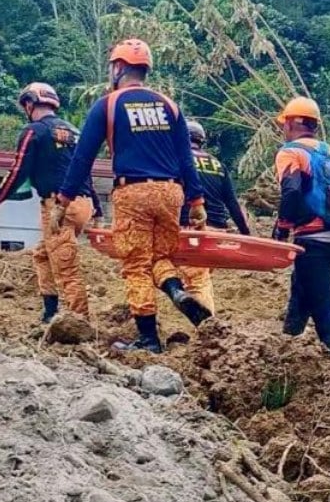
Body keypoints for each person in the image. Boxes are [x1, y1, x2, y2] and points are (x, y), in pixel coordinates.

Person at [58, 38, 208, 353]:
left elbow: (82, 157)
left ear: (118, 67)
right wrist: (197, 203)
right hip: (171, 192)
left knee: (136, 264)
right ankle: (176, 290)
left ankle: (149, 340)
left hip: (133, 192)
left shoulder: (109, 105)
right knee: (160, 256)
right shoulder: (170, 106)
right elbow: (186, 159)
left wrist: (65, 198)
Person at [0, 82, 100, 323]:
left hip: (59, 207)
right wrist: (96, 205)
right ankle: (50, 311)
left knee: (66, 266)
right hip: (83, 204)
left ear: (29, 104)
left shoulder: (34, 131)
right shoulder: (74, 132)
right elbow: (84, 170)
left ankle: (80, 322)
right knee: (43, 255)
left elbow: (18, 170)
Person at [272, 97, 330, 369]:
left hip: (314, 241)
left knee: (325, 316)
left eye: (284, 124)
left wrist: (282, 229)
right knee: (301, 300)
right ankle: (282, 363)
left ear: (291, 123)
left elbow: (291, 191)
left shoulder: (291, 152)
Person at [178, 118, 251, 313]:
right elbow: (233, 204)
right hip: (217, 232)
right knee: (198, 276)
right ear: (202, 141)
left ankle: (208, 328)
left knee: (196, 281)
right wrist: (246, 234)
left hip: (192, 229)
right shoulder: (218, 165)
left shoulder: (177, 161)